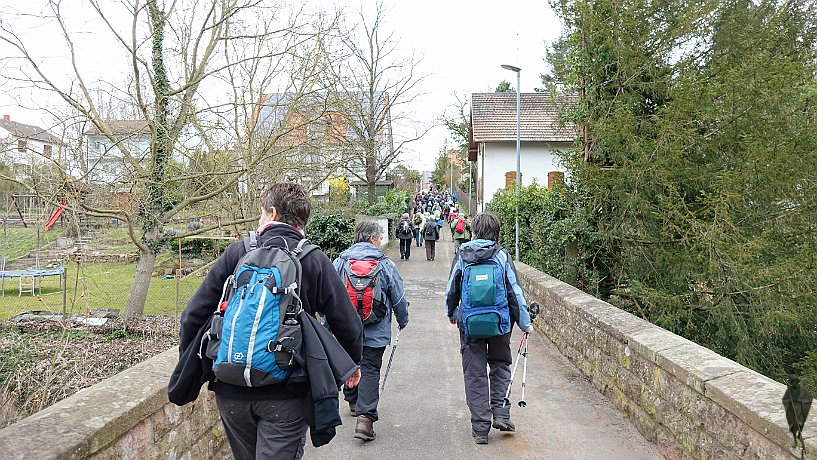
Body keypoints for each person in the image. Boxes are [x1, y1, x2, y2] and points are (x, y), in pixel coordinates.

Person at [178, 183, 363, 460]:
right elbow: (347, 325)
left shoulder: (237, 252)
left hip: (231, 388)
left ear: (272, 213)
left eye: (262, 212)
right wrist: (352, 363)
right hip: (286, 393)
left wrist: (197, 367)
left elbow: (193, 316)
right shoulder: (314, 260)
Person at [444, 212, 532, 445]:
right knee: (500, 366)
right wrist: (525, 323)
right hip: (500, 323)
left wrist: (453, 314)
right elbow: (515, 292)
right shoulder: (502, 255)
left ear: (473, 231)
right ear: (497, 233)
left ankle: (481, 427)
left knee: (474, 373)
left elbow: (452, 289)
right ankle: (501, 413)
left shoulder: (463, 255)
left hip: (470, 324)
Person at [333, 220, 409, 442]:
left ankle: (353, 400)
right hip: (375, 330)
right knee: (370, 368)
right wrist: (403, 320)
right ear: (372, 239)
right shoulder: (384, 264)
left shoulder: (340, 262)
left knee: (349, 362)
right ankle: (365, 420)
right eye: (379, 237)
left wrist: (327, 326)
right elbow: (398, 297)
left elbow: (330, 297)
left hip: (345, 329)